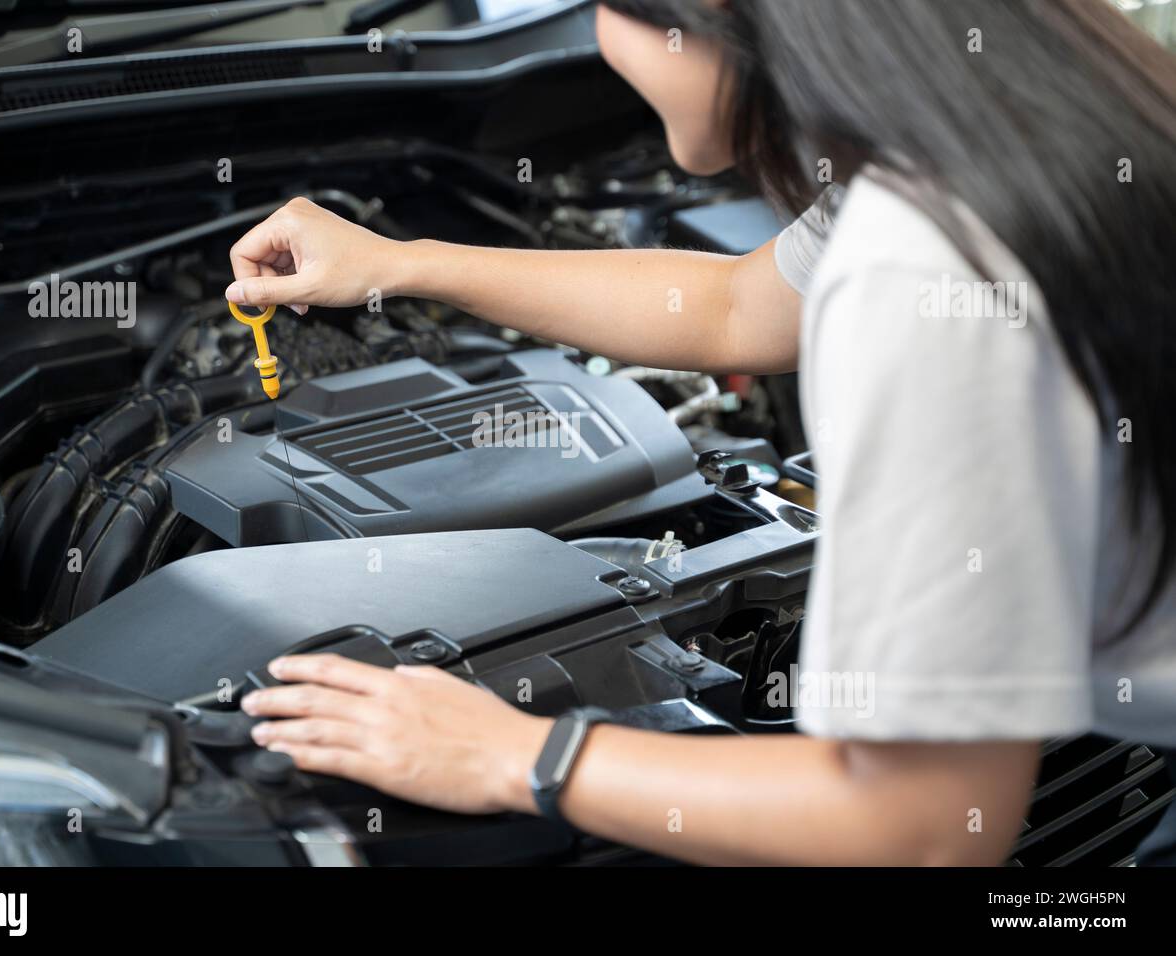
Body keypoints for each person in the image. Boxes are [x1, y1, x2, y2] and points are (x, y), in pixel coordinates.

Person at [225, 0, 1176, 865]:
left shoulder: (919, 265)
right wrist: (403, 262)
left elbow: (919, 829)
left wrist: (508, 753)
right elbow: (730, 308)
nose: (597, 39)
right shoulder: (1014, 117)